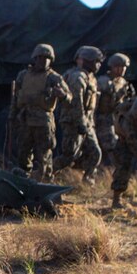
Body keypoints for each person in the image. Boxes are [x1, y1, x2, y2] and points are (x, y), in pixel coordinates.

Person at [11, 43, 71, 181]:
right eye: (40, 58)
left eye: (47, 58)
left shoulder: (54, 78)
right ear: (35, 58)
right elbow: (16, 98)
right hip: (25, 120)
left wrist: (62, 95)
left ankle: (46, 184)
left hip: (44, 122)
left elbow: (69, 98)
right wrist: (12, 115)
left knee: (44, 156)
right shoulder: (23, 75)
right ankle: (23, 182)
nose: (43, 61)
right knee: (23, 154)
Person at [54, 45, 104, 183]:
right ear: (85, 61)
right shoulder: (78, 77)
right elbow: (77, 103)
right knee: (69, 156)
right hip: (73, 122)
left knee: (95, 153)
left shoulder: (91, 78)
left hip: (86, 122)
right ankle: (46, 173)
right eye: (95, 61)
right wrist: (81, 123)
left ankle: (87, 180)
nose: (98, 65)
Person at [95, 53, 134, 167]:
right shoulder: (102, 82)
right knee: (108, 145)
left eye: (124, 67)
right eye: (119, 67)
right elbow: (95, 103)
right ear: (112, 67)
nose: (122, 70)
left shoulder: (123, 83)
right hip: (103, 118)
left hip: (117, 118)